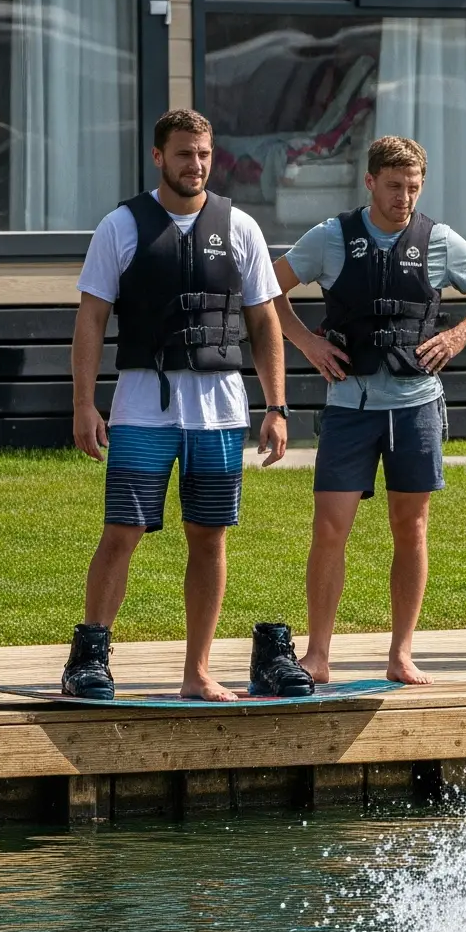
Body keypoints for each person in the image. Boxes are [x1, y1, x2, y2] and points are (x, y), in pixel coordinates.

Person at [64, 107, 296, 702]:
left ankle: (198, 671)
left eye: (204, 154)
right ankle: (89, 661)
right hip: (143, 408)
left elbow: (265, 321)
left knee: (210, 537)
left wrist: (277, 406)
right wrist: (84, 404)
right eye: (184, 153)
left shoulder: (239, 226)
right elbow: (91, 320)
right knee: (122, 531)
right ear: (158, 157)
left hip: (219, 413)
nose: (195, 165)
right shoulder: (120, 226)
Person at [272, 135, 466, 685]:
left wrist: (457, 337)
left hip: (415, 406)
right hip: (349, 407)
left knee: (412, 527)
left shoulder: (440, 241)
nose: (404, 197)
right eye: (394, 186)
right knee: (330, 528)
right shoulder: (331, 238)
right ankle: (317, 655)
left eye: (413, 187)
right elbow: (266, 289)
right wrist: (307, 343)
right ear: (371, 182)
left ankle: (401, 652)